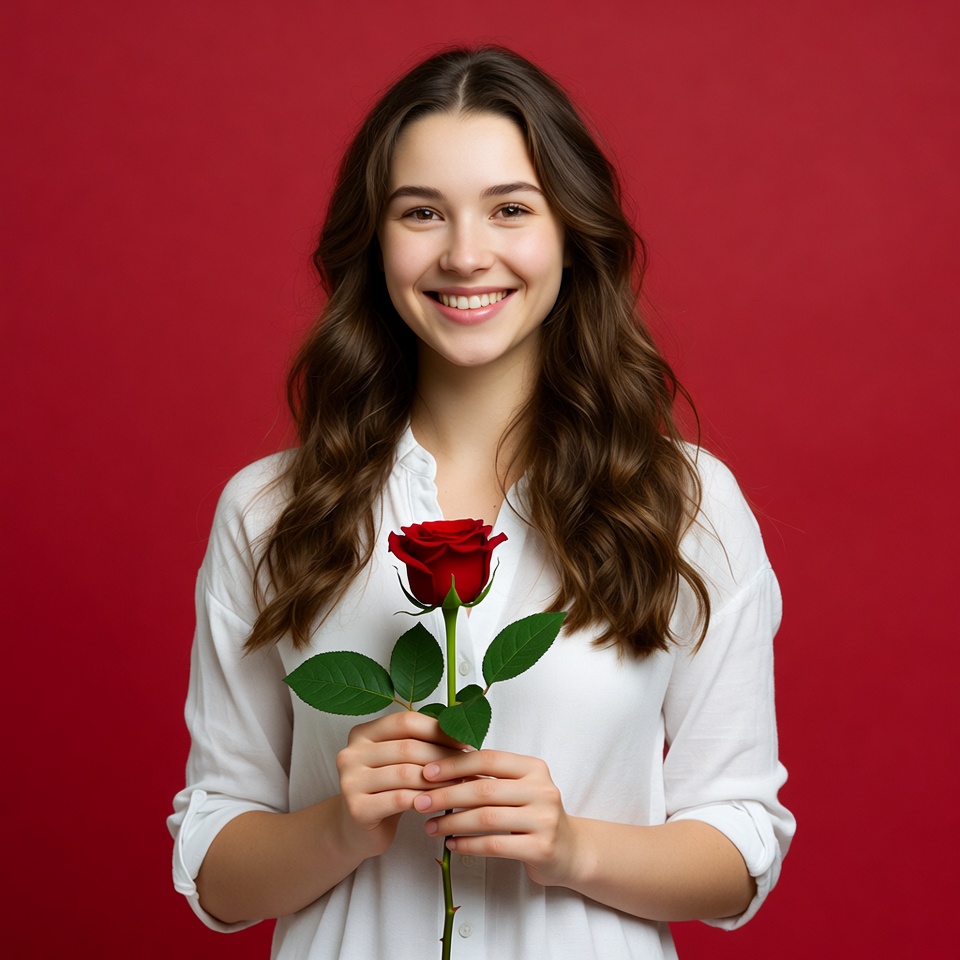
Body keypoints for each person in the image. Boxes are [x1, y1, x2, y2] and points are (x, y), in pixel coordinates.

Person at [169, 46, 795, 960]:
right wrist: (341, 826)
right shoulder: (269, 512)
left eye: (510, 209)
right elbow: (216, 867)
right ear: (374, 241)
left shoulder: (683, 505)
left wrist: (572, 844)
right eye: (422, 213)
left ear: (570, 233)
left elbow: (741, 840)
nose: (467, 255)